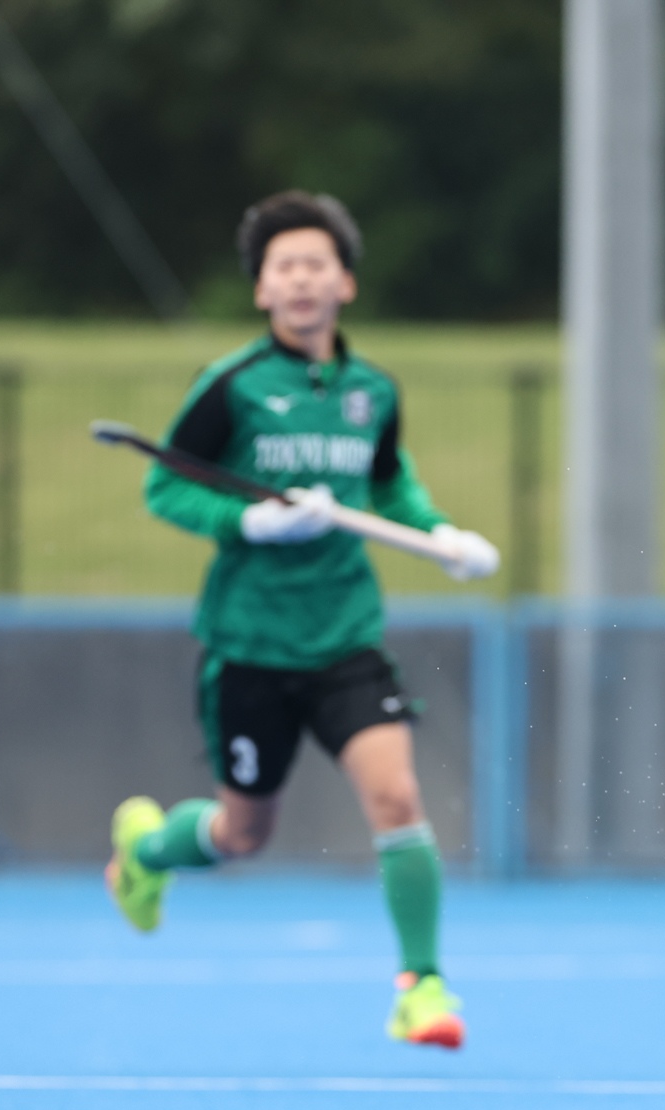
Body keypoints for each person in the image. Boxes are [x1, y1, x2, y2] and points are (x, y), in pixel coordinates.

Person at [103, 190, 484, 1048]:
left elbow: (388, 485)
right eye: (286, 267)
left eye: (318, 264)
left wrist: (441, 536)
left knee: (397, 796)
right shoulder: (231, 388)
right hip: (250, 644)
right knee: (243, 833)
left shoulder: (373, 391)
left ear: (345, 283)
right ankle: (148, 852)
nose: (303, 279)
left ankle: (421, 988)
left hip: (345, 637)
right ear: (262, 289)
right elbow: (165, 486)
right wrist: (251, 522)